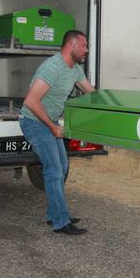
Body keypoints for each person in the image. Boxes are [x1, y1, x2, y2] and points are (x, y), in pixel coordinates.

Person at [20, 30, 94, 235]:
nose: (87, 50)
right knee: (54, 170)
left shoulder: (75, 69)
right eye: (84, 45)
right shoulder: (52, 68)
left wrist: (113, 105)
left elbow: (91, 93)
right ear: (71, 46)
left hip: (49, 121)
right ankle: (61, 222)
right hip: (34, 122)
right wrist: (53, 128)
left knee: (62, 167)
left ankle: (54, 215)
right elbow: (31, 101)